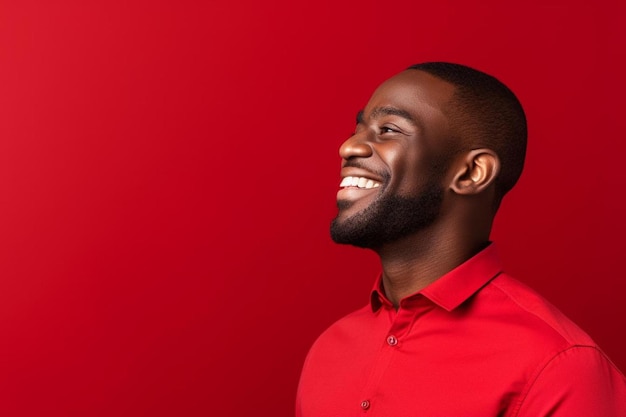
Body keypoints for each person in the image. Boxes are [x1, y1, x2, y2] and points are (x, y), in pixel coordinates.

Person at [296, 62, 626, 416]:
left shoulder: (558, 367)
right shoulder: (328, 350)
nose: (348, 147)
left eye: (388, 129)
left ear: (471, 173)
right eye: (358, 129)